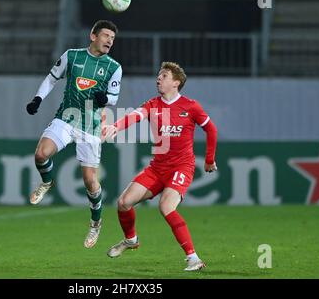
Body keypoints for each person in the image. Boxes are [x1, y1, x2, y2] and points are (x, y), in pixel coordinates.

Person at [102, 62, 217, 271]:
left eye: (163, 76)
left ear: (176, 82)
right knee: (124, 202)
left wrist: (209, 159)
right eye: (158, 76)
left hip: (181, 167)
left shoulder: (191, 106)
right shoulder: (152, 105)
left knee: (166, 207)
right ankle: (131, 240)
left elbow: (211, 129)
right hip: (157, 168)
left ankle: (193, 258)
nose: (158, 79)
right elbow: (134, 116)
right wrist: (115, 126)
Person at [25, 20, 122, 248]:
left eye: (112, 38)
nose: (109, 40)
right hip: (66, 118)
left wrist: (105, 99)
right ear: (93, 35)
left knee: (90, 181)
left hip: (91, 126)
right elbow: (52, 78)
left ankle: (96, 223)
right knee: (41, 154)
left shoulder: (113, 66)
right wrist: (37, 98)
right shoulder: (72, 56)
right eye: (106, 35)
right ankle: (47, 182)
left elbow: (114, 96)